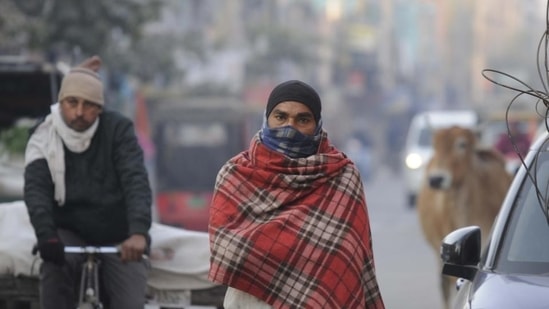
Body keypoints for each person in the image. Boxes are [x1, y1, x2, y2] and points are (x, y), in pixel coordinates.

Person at [208, 80, 385, 308]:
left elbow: (348, 261)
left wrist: (267, 250)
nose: (289, 128)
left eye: (302, 119)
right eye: (280, 117)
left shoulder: (343, 176)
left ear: (317, 124)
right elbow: (229, 253)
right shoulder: (235, 175)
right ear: (266, 120)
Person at [24, 55, 152, 309]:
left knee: (130, 301)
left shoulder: (118, 130)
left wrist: (138, 232)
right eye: (72, 102)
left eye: (89, 105)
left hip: (118, 234)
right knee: (54, 275)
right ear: (60, 103)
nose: (79, 112)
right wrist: (46, 235)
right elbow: (36, 190)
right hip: (68, 231)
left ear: (101, 109)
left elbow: (135, 179)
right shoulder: (44, 135)